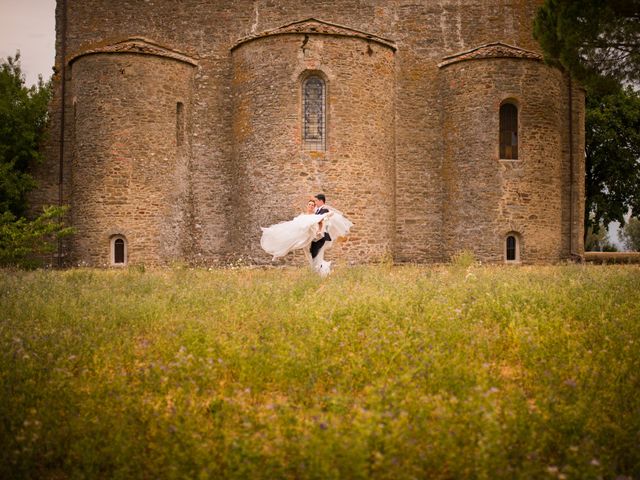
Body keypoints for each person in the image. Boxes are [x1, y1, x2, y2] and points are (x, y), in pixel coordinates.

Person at [260, 195, 353, 276]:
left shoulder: (315, 216)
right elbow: (293, 225)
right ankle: (275, 245)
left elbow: (321, 221)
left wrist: (325, 220)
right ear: (307, 206)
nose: (311, 206)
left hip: (308, 238)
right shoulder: (302, 216)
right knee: (291, 239)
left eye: (312, 205)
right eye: (309, 204)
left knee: (311, 256)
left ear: (314, 207)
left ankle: (321, 271)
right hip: (301, 236)